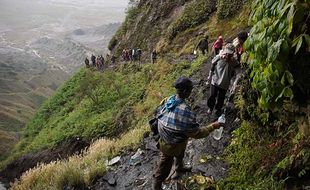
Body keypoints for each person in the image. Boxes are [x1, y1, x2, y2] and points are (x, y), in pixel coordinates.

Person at [153, 77, 221, 190]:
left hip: (169, 136)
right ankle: (157, 186)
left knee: (180, 153)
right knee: (163, 168)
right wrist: (212, 126)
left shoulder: (169, 99)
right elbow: (197, 133)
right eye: (190, 90)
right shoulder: (185, 111)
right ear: (185, 92)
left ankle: (179, 168)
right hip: (169, 144)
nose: (191, 91)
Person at [207, 43, 239, 117]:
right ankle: (210, 108)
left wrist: (235, 82)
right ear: (224, 51)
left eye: (230, 54)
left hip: (225, 83)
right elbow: (212, 66)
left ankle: (218, 109)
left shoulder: (234, 61)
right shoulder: (218, 57)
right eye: (227, 53)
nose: (227, 56)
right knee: (212, 96)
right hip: (215, 81)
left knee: (221, 98)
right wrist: (209, 77)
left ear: (233, 54)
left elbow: (238, 70)